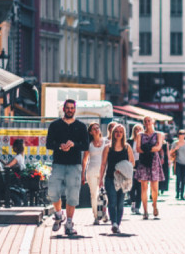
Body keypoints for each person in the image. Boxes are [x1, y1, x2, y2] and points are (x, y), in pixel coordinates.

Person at [44, 99, 89, 236]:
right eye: (67, 108)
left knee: (72, 195)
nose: (69, 110)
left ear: (75, 110)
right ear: (63, 109)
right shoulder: (55, 125)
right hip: (58, 163)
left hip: (75, 164)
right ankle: (59, 214)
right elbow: (48, 144)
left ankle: (69, 223)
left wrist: (74, 144)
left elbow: (86, 146)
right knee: (52, 191)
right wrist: (60, 145)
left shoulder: (81, 126)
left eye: (72, 108)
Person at [100, 123, 134, 233]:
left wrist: (123, 168)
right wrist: (100, 179)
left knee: (120, 203)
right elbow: (103, 164)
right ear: (113, 133)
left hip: (123, 179)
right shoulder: (107, 148)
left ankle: (117, 224)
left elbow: (132, 162)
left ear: (123, 134)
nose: (118, 134)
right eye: (116, 131)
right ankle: (114, 223)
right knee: (112, 201)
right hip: (110, 178)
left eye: (120, 132)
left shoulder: (127, 147)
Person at [134, 116, 164, 219]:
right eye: (145, 121)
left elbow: (158, 147)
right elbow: (137, 149)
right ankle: (145, 211)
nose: (147, 123)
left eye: (148, 121)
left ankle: (154, 204)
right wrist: (150, 148)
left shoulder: (159, 134)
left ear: (153, 122)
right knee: (143, 187)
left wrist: (146, 148)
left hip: (154, 161)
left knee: (155, 188)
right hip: (143, 162)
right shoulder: (140, 135)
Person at [80, 122, 107, 224]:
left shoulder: (106, 142)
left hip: (104, 171)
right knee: (94, 194)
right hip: (91, 171)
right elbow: (84, 160)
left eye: (98, 128)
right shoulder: (89, 144)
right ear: (90, 132)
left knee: (104, 194)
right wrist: (83, 174)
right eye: (94, 129)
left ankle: (104, 213)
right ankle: (96, 216)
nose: (96, 130)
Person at [170, 129, 185, 201]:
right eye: (180, 133)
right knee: (178, 178)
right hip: (178, 162)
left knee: (183, 179)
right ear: (178, 135)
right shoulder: (175, 143)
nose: (182, 135)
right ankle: (177, 193)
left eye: (183, 133)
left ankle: (182, 194)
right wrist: (175, 149)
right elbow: (170, 153)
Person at [129, 123, 143, 215]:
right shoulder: (130, 141)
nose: (137, 130)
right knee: (131, 186)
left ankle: (138, 206)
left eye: (139, 129)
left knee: (140, 187)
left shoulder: (144, 141)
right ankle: (132, 202)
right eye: (136, 129)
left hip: (141, 164)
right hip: (131, 164)